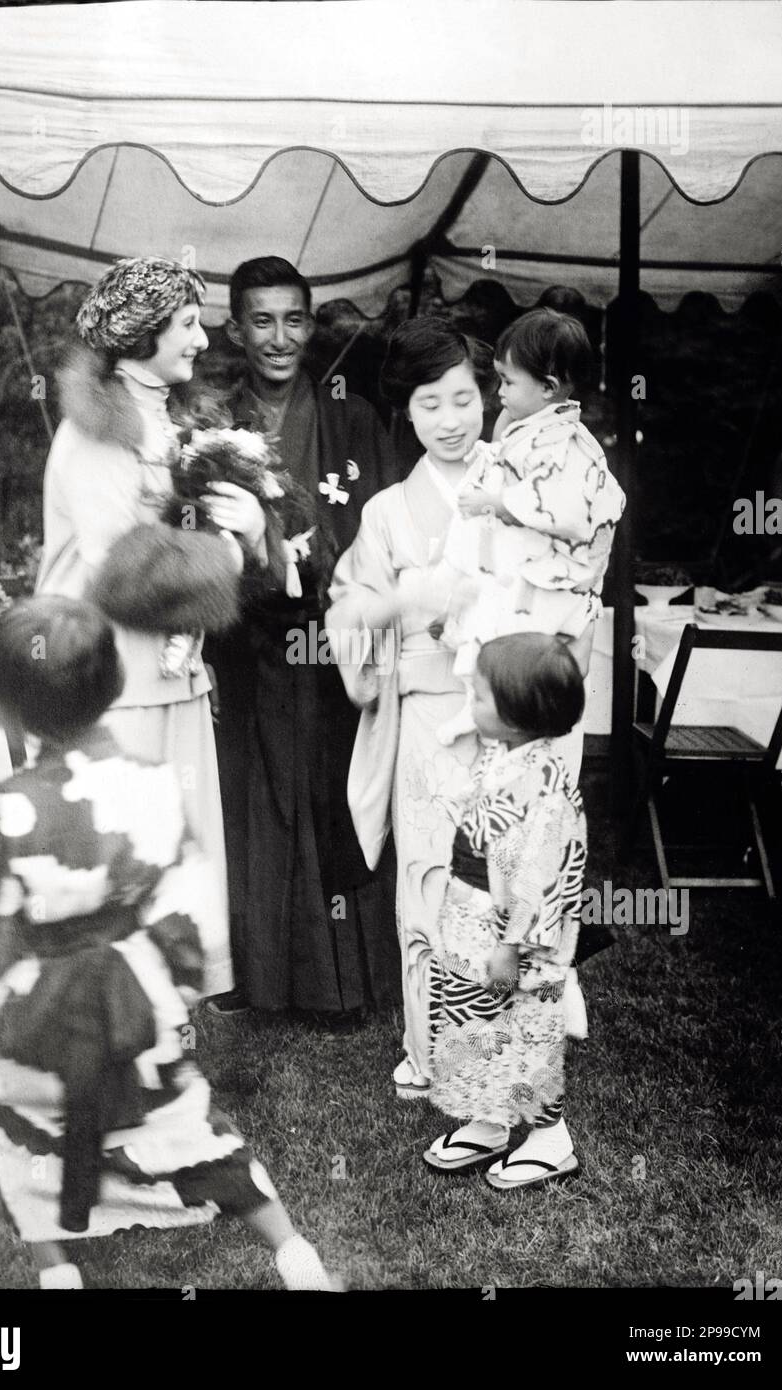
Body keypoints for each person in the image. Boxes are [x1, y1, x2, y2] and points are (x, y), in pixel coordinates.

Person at [0, 597, 340, 1291]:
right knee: (189, 1129)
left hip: (39, 1025)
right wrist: (172, 993)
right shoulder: (154, 784)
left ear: (10, 706)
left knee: (12, 1126)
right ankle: (294, 1254)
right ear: (116, 683)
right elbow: (188, 911)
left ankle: (56, 1269)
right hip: (134, 1009)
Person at [36, 256, 269, 998]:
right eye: (187, 325)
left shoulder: (167, 425)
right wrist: (227, 553)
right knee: (124, 853)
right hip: (112, 684)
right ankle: (114, 1026)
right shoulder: (99, 433)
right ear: (141, 338)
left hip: (170, 677)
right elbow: (121, 573)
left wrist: (252, 531)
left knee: (175, 852)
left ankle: (166, 1020)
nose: (203, 340)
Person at [204, 256, 399, 1026]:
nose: (279, 337)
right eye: (261, 320)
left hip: (332, 643)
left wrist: (329, 565)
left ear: (312, 326)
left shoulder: (353, 419)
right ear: (236, 328)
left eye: (293, 319)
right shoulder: (216, 429)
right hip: (248, 645)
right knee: (255, 804)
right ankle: (259, 978)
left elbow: (383, 531)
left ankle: (342, 986)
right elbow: (193, 545)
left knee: (330, 799)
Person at [326, 318, 496, 1095]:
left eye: (464, 399)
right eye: (431, 404)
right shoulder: (388, 510)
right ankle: (430, 1051)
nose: (452, 420)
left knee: (504, 880)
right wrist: (395, 603)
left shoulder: (517, 486)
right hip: (426, 714)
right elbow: (349, 605)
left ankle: (501, 1047)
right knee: (427, 876)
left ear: (487, 397)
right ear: (408, 412)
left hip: (508, 716)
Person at [422, 633, 586, 1190]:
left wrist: (512, 945)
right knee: (470, 1020)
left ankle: (549, 1136)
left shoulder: (545, 788)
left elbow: (541, 879)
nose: (469, 705)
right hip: (473, 919)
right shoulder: (504, 755)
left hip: (515, 936)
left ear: (518, 717)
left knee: (525, 1028)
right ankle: (488, 1120)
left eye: (480, 698)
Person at [432, 307, 625, 747]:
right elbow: (504, 454)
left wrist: (497, 501)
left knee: (511, 645)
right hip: (521, 565)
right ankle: (476, 704)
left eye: (508, 381)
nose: (499, 391)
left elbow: (560, 505)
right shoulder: (532, 425)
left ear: (549, 387)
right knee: (486, 626)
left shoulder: (568, 441)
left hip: (551, 579)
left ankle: (496, 709)